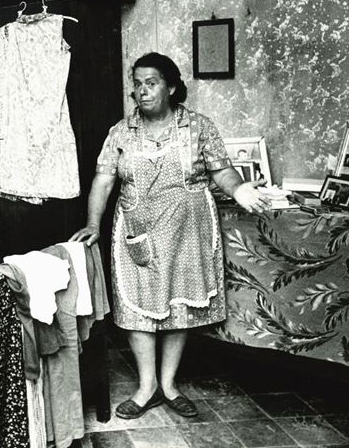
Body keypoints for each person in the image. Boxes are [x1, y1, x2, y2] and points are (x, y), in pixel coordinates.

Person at [70, 52, 270, 420]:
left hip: (187, 231)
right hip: (138, 231)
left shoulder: (198, 126)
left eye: (151, 83)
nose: (142, 91)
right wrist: (94, 224)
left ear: (172, 87)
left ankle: (169, 384)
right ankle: (146, 387)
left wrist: (239, 189)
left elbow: (222, 171)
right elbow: (103, 180)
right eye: (137, 84)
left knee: (179, 305)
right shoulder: (121, 131)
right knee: (138, 307)